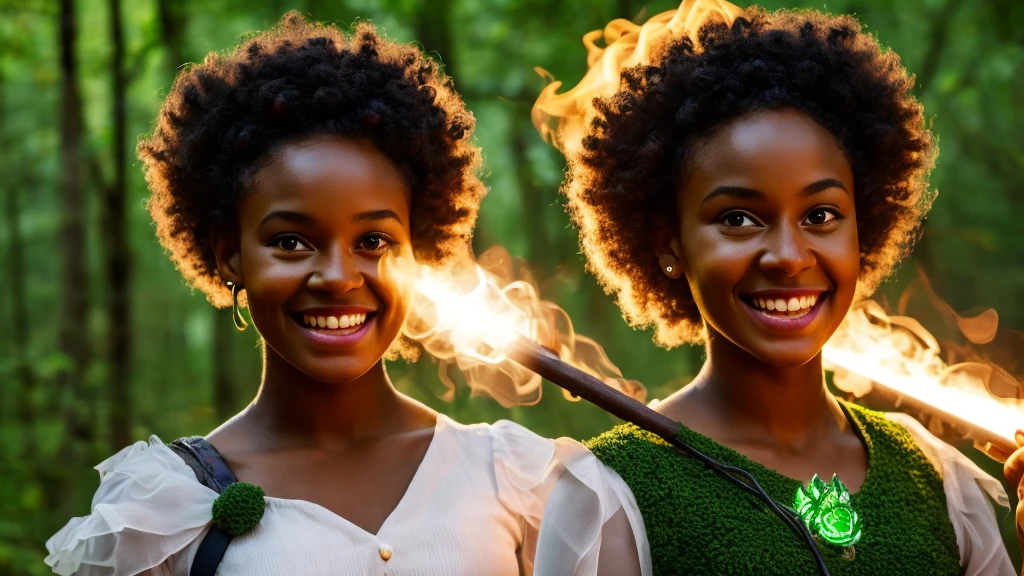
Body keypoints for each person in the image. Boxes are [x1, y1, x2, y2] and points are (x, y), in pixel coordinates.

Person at [44, 13, 629, 576]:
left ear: (418, 250)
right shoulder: (161, 510)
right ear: (230, 255)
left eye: (373, 239)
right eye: (292, 241)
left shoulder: (522, 481)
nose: (338, 277)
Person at [532, 1, 1016, 574]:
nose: (788, 257)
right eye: (738, 218)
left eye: (821, 216)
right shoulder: (607, 496)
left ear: (863, 227)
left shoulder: (938, 477)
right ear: (669, 244)